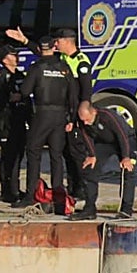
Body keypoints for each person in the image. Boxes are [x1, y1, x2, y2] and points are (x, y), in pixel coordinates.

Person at [14, 35, 75, 215]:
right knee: (56, 155)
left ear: (40, 49)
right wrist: (70, 118)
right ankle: (58, 193)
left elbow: (25, 91)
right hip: (60, 115)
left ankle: (31, 194)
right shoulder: (64, 68)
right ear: (54, 47)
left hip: (42, 114)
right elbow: (73, 95)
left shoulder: (36, 68)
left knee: (34, 152)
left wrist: (18, 96)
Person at [69, 100, 137, 220]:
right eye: (82, 120)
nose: (85, 122)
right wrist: (92, 154)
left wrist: (126, 157)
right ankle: (89, 208)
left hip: (125, 140)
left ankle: (126, 209)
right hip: (105, 143)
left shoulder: (108, 116)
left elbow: (122, 135)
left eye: (87, 119)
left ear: (94, 112)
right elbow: (87, 136)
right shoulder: (83, 122)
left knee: (127, 170)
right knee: (89, 169)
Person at [0, 45, 29, 204]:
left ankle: (15, 188)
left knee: (19, 154)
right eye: (13, 55)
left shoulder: (19, 75)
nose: (16, 57)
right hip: (6, 119)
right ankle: (7, 190)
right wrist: (7, 99)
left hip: (20, 119)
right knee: (8, 155)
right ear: (4, 59)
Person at [53, 28, 95, 198]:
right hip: (64, 114)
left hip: (76, 115)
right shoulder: (62, 58)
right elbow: (42, 51)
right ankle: (73, 188)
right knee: (67, 153)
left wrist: (78, 117)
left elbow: (86, 93)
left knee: (77, 153)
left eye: (58, 41)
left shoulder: (81, 61)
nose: (56, 44)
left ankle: (84, 189)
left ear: (67, 41)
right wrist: (25, 41)